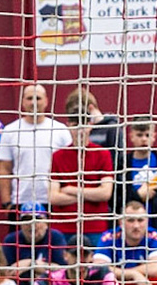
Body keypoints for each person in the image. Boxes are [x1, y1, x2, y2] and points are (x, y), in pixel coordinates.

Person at [0, 82, 72, 213]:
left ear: (46, 101)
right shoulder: (11, 131)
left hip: (54, 201)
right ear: (23, 102)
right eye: (29, 98)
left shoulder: (60, 130)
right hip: (20, 201)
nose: (34, 103)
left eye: (38, 98)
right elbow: (4, 170)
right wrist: (7, 203)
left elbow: (70, 167)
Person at [48, 88, 116, 241]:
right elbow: (53, 197)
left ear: (90, 125)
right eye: (75, 125)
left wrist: (70, 189)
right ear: (68, 126)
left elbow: (106, 193)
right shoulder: (58, 156)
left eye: (83, 125)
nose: (80, 130)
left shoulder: (103, 154)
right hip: (63, 227)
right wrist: (90, 194)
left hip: (95, 227)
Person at [120, 118, 157, 223]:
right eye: (139, 135)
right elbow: (117, 196)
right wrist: (138, 195)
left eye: (147, 135)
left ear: (154, 137)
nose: (144, 139)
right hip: (130, 222)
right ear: (131, 136)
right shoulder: (122, 163)